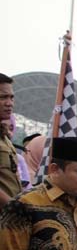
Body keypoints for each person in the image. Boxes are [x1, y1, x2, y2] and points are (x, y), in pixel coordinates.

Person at [0, 73, 22, 208]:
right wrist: (15, 208)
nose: (9, 103)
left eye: (11, 97)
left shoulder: (4, 137)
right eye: (3, 97)